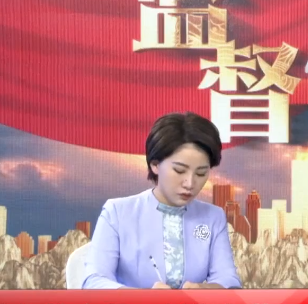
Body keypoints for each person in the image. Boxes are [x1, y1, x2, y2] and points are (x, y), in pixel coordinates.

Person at [82, 112, 241, 289]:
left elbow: (229, 281)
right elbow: (94, 281)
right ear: (155, 165)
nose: (190, 183)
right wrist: (145, 299)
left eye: (201, 173)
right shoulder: (117, 213)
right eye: (179, 171)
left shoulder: (213, 217)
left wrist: (202, 290)